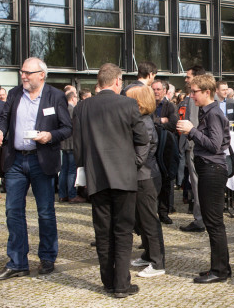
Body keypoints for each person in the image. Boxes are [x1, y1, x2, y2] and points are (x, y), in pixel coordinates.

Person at [0, 57, 72, 281]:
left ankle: (47, 258)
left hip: (41, 160)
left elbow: (67, 128)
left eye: (28, 72)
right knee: (12, 211)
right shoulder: (15, 93)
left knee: (45, 212)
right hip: (16, 160)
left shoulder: (55, 96)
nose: (23, 76)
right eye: (22, 72)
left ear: (41, 75)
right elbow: (4, 118)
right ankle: (17, 262)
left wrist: (50, 136)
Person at [73, 63, 149, 297]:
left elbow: (77, 147)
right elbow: (142, 138)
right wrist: (134, 163)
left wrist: (85, 170)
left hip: (96, 178)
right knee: (122, 232)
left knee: (103, 232)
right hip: (124, 178)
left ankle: (108, 282)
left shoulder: (82, 107)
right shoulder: (127, 104)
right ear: (117, 81)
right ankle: (121, 285)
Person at [176, 74, 232, 283]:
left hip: (212, 169)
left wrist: (192, 131)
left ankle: (219, 271)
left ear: (206, 92)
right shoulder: (206, 111)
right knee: (213, 221)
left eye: (194, 92)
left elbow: (214, 144)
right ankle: (221, 266)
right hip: (209, 168)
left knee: (214, 222)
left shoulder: (213, 113)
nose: (191, 96)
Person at [125, 85, 167, 279]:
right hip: (142, 176)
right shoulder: (142, 119)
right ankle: (149, 254)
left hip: (146, 177)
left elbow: (139, 157)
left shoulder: (144, 122)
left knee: (149, 220)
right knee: (143, 220)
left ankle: (158, 262)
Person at [179, 66, 207, 233]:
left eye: (188, 77)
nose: (186, 80)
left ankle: (199, 219)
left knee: (197, 184)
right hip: (201, 145)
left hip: (194, 146)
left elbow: (193, 123)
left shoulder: (194, 98)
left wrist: (189, 143)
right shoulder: (208, 95)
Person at [152, 79, 178, 224]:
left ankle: (163, 212)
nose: (156, 92)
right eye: (153, 89)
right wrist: (160, 120)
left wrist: (155, 122)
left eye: (158, 89)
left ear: (164, 91)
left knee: (166, 181)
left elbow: (173, 124)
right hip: (151, 147)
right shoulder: (147, 105)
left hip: (166, 147)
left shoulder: (170, 106)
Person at [58, 90, 80, 203]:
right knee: (71, 171)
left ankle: (62, 194)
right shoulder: (73, 110)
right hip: (71, 144)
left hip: (63, 143)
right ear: (73, 98)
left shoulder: (63, 109)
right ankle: (72, 195)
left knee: (64, 170)